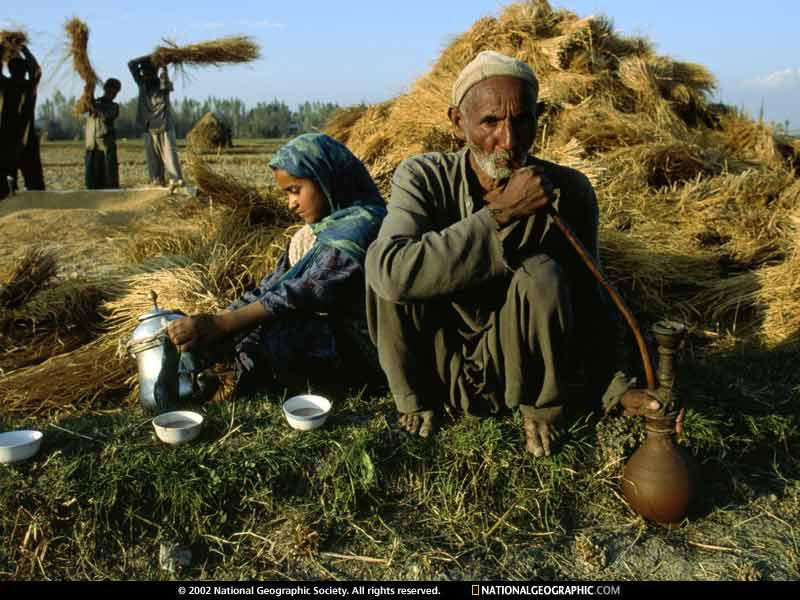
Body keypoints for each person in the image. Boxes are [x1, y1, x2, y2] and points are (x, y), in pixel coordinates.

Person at [365, 51, 629, 456]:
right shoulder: (422, 176)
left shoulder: (568, 190)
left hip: (518, 369)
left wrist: (619, 388)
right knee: (385, 265)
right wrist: (501, 214)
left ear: (537, 119)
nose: (508, 140)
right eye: (490, 121)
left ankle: (542, 403)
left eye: (522, 120)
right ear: (458, 122)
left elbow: (591, 303)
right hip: (440, 362)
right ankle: (415, 398)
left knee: (544, 274)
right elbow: (391, 273)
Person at [166, 133, 387, 397]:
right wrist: (215, 322)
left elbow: (301, 293)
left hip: (369, 348)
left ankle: (340, 387)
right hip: (336, 332)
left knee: (279, 337)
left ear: (327, 178)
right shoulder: (319, 232)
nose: (291, 204)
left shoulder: (361, 229)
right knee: (252, 332)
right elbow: (272, 286)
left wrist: (222, 324)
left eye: (295, 190)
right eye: (286, 194)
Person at [128, 54, 183, 189]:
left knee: (170, 158)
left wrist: (163, 65)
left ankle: (176, 182)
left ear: (154, 72)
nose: (145, 75)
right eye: (143, 73)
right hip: (148, 128)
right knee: (153, 161)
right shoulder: (142, 84)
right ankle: (157, 182)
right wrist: (152, 56)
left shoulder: (163, 84)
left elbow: (164, 78)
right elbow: (131, 64)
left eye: (148, 72)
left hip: (164, 126)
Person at [0, 44, 42, 199]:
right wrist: (24, 49)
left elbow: (36, 71)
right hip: (25, 138)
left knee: (6, 182)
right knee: (34, 182)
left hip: (7, 139)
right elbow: (36, 70)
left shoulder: (6, 85)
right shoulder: (29, 86)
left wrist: (3, 50)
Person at [85, 78, 122, 189]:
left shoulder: (114, 107)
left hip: (106, 145)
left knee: (108, 176)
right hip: (91, 145)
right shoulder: (94, 103)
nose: (112, 94)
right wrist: (89, 90)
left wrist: (93, 105)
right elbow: (84, 107)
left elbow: (105, 116)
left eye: (115, 92)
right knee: (91, 176)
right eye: (110, 91)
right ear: (105, 89)